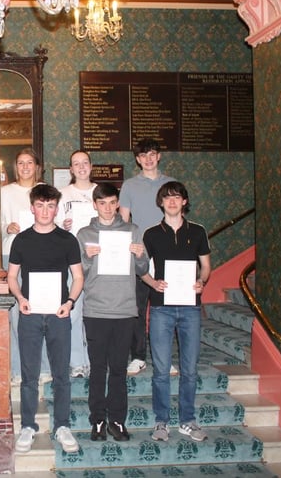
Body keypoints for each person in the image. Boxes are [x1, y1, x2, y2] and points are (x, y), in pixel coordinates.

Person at [7, 184, 84, 454]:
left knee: (61, 373)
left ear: (56, 208)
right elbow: (11, 277)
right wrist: (20, 298)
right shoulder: (22, 240)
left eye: (50, 206)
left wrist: (70, 302)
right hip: (29, 314)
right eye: (40, 205)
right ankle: (28, 426)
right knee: (29, 375)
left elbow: (78, 277)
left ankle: (62, 426)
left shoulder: (67, 240)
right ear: (32, 208)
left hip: (59, 314)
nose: (45, 211)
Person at [76, 183, 148, 442]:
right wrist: (86, 257)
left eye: (112, 202)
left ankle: (117, 420)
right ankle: (97, 421)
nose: (107, 208)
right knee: (98, 369)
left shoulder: (132, 231)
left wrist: (140, 255)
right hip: (95, 309)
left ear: (118, 203)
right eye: (102, 203)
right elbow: (78, 273)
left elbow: (142, 269)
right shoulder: (84, 234)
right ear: (95, 204)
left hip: (125, 309)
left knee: (118, 369)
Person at [140, 181, 211, 443]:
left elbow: (205, 266)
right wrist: (152, 282)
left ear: (184, 202)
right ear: (161, 202)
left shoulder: (199, 231)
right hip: (160, 307)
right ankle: (161, 422)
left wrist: (202, 281)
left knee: (189, 369)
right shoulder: (150, 233)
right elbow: (140, 266)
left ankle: (188, 421)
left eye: (177, 197)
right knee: (160, 371)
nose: (172, 201)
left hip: (191, 307)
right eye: (167, 197)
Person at [119, 139, 177, 376]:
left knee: (166, 307)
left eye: (152, 154)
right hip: (140, 252)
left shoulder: (172, 184)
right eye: (143, 156)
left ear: (159, 156)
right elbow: (124, 221)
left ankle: (165, 358)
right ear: (137, 160)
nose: (148, 159)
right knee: (138, 307)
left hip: (167, 253)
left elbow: (178, 217)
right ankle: (138, 356)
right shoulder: (130, 185)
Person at [0, 148, 49, 381]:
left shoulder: (47, 191)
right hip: (12, 254)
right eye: (21, 163)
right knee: (17, 314)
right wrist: (6, 228)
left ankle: (45, 368)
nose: (25, 167)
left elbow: (54, 220)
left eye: (30, 162)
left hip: (43, 256)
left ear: (36, 166)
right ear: (15, 167)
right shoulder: (4, 192)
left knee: (45, 310)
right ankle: (18, 369)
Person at [55, 150, 97, 379]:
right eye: (76, 164)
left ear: (91, 166)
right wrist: (65, 224)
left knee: (95, 313)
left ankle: (94, 360)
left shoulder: (100, 192)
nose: (81, 167)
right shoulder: (62, 194)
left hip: (99, 260)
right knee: (74, 311)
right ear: (70, 169)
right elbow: (55, 225)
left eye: (85, 163)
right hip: (74, 259)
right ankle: (77, 361)